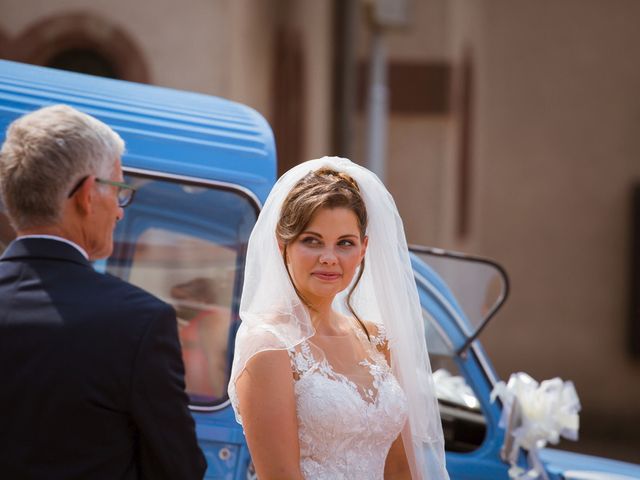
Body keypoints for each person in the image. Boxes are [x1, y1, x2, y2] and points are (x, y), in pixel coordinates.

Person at [0, 105, 206, 479]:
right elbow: (179, 470)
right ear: (87, 195)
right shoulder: (138, 322)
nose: (120, 211)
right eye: (119, 189)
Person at [228, 157, 449, 480]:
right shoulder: (268, 346)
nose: (329, 258)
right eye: (311, 241)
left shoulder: (378, 340)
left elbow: (400, 467)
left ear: (363, 250)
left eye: (345, 243)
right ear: (282, 247)